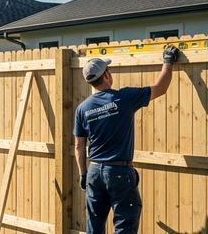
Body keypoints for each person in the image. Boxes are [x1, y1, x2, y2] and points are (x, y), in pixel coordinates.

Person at [73, 45, 179, 233]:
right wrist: (168, 61)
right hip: (119, 172)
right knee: (125, 224)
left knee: (94, 226)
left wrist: (83, 174)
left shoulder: (82, 108)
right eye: (109, 69)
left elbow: (79, 146)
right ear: (106, 75)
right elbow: (161, 88)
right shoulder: (124, 98)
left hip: (94, 172)